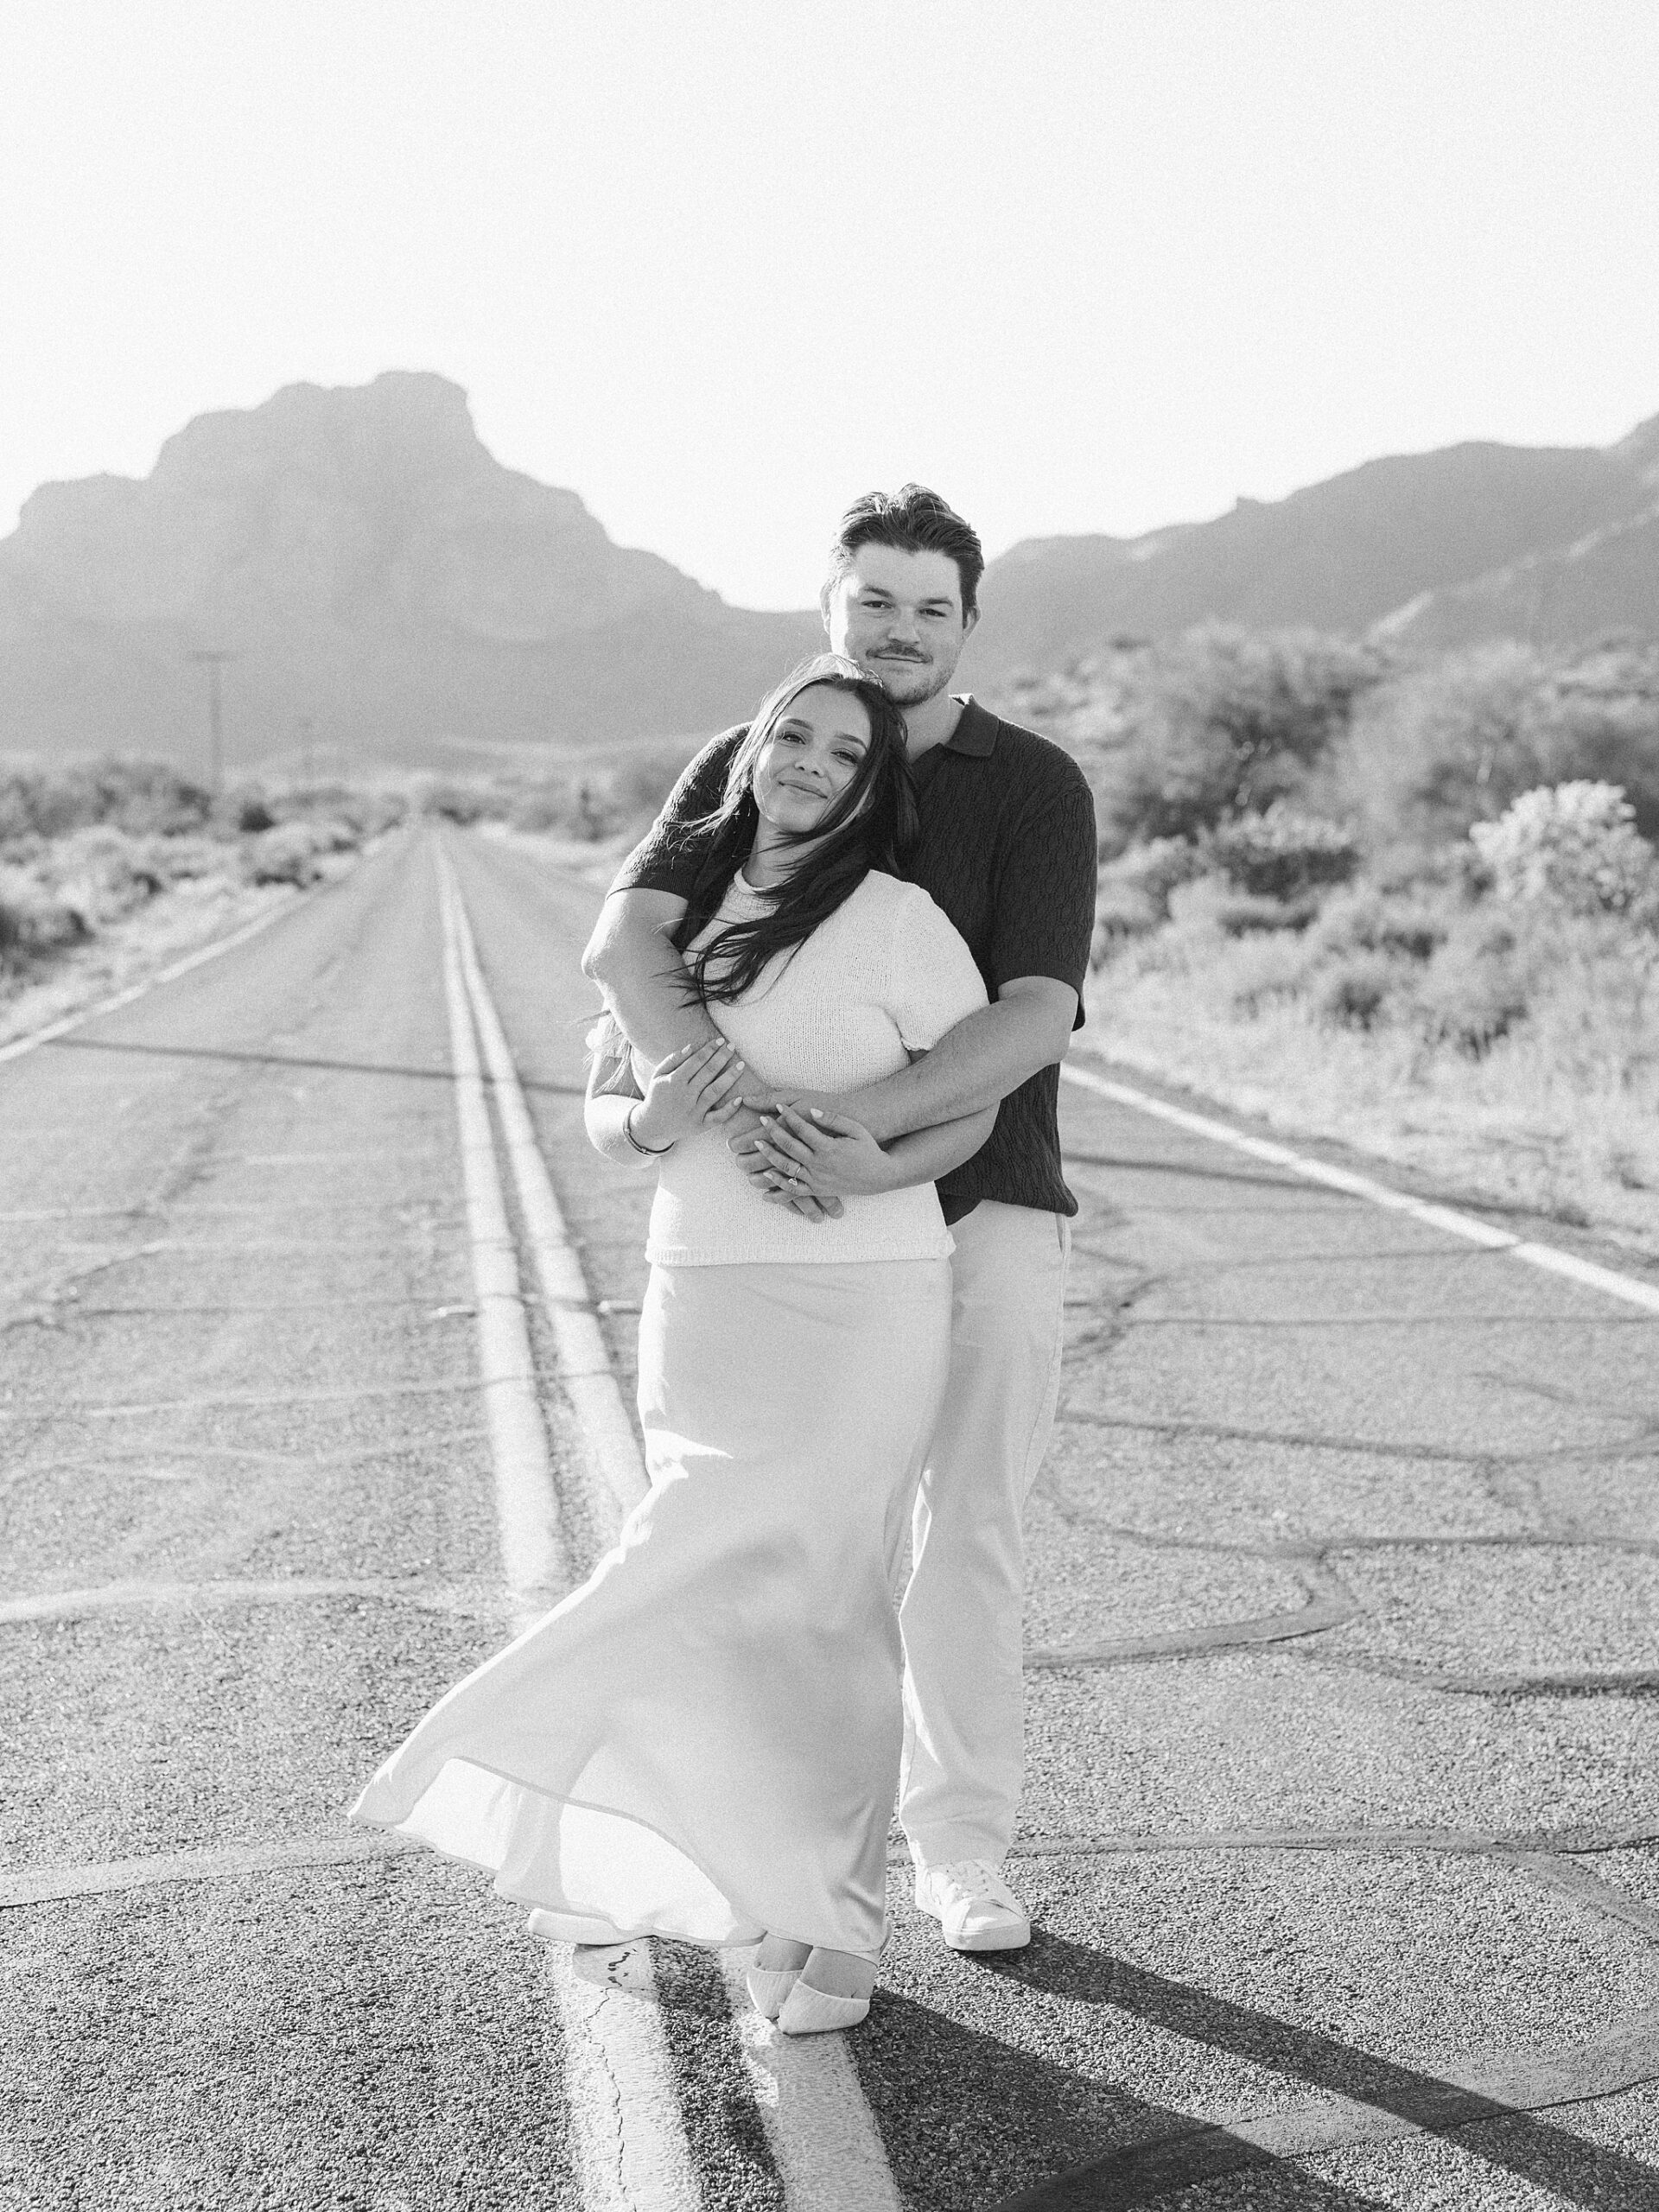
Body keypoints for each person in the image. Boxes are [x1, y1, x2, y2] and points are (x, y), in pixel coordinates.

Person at [350, 655, 994, 2034]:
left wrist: (872, 1171)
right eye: (795, 737)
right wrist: (655, 1122)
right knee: (698, 1586)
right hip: (704, 1290)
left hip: (868, 1297)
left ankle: (840, 1932)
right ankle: (671, 1853)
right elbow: (603, 1109)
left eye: (845, 752)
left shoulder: (900, 920)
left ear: (874, 786)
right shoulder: (675, 925)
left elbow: (973, 1117)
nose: (813, 762)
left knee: (829, 1606)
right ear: (755, 751)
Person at [583, 487, 1098, 1954]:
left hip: (983, 1202)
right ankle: (775, 1852)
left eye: (931, 609)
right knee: (803, 1546)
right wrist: (720, 1093)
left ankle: (963, 1851)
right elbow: (628, 936)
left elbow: (1036, 1012)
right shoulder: (767, 747)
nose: (900, 633)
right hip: (793, 1231)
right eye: (875, 602)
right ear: (831, 609)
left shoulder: (1034, 784)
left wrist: (859, 1134)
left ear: (968, 627)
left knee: (969, 1532)